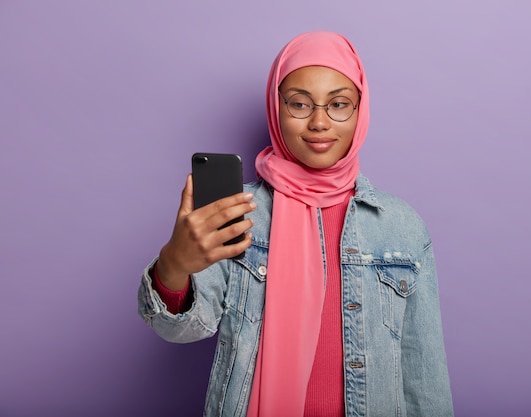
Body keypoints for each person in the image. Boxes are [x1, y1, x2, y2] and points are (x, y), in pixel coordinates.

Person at [138, 31, 454, 417]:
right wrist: (175, 264)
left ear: (361, 110)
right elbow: (182, 329)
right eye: (300, 104)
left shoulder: (402, 228)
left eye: (339, 104)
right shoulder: (236, 212)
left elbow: (423, 377)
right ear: (276, 108)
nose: (320, 122)